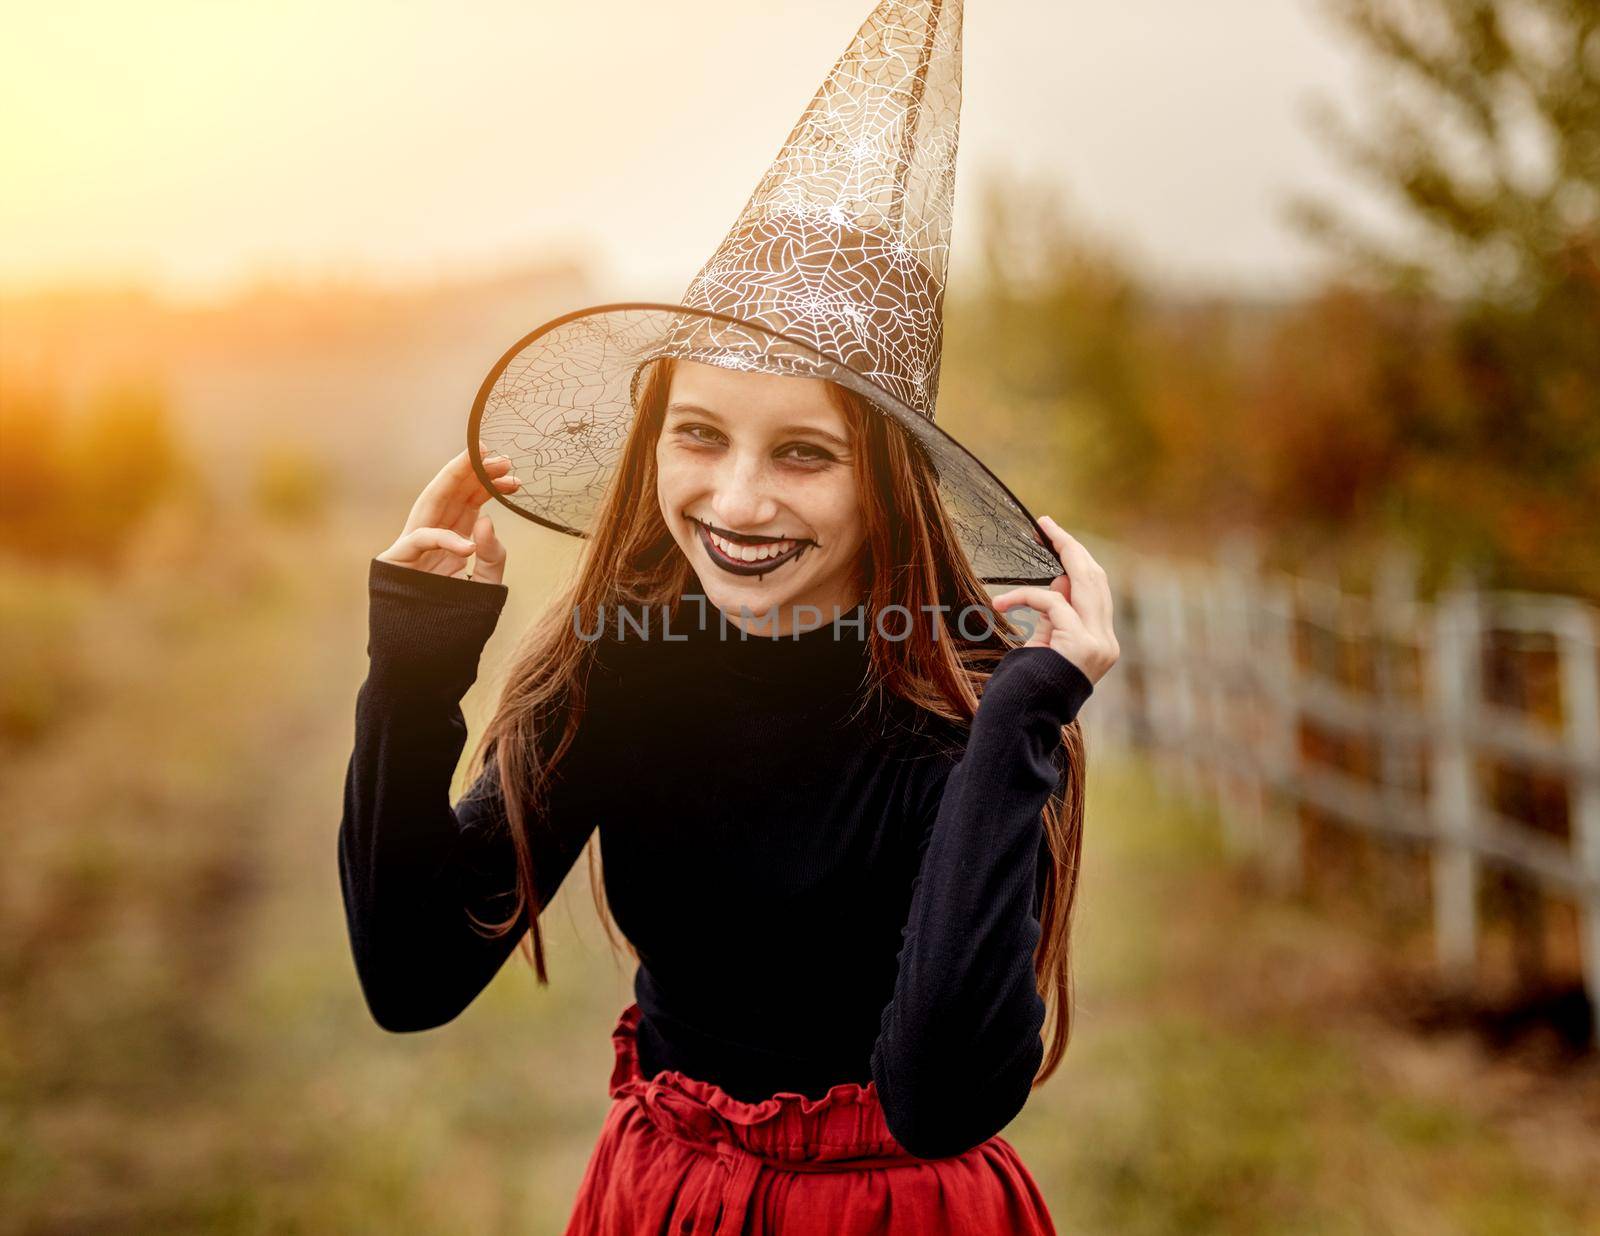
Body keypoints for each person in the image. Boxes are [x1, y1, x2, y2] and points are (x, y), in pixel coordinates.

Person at [340, 1, 1121, 1230]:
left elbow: (943, 1095)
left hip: (894, 1212)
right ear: (655, 439)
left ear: (886, 486)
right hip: (664, 1199)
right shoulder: (624, 674)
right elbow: (411, 971)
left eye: (803, 453)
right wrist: (415, 660)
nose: (736, 500)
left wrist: (1020, 724)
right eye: (698, 435)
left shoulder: (971, 716)